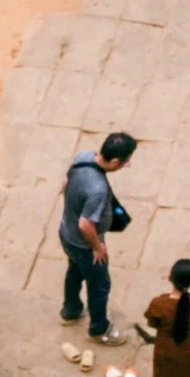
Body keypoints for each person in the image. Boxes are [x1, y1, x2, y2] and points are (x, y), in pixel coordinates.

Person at [59, 132, 137, 341]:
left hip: (66, 232)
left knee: (75, 271)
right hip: (84, 244)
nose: (127, 164)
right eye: (126, 161)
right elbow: (85, 224)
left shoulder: (84, 156)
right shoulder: (98, 189)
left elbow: (66, 181)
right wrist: (97, 247)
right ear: (114, 161)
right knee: (100, 286)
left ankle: (71, 310)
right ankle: (99, 329)